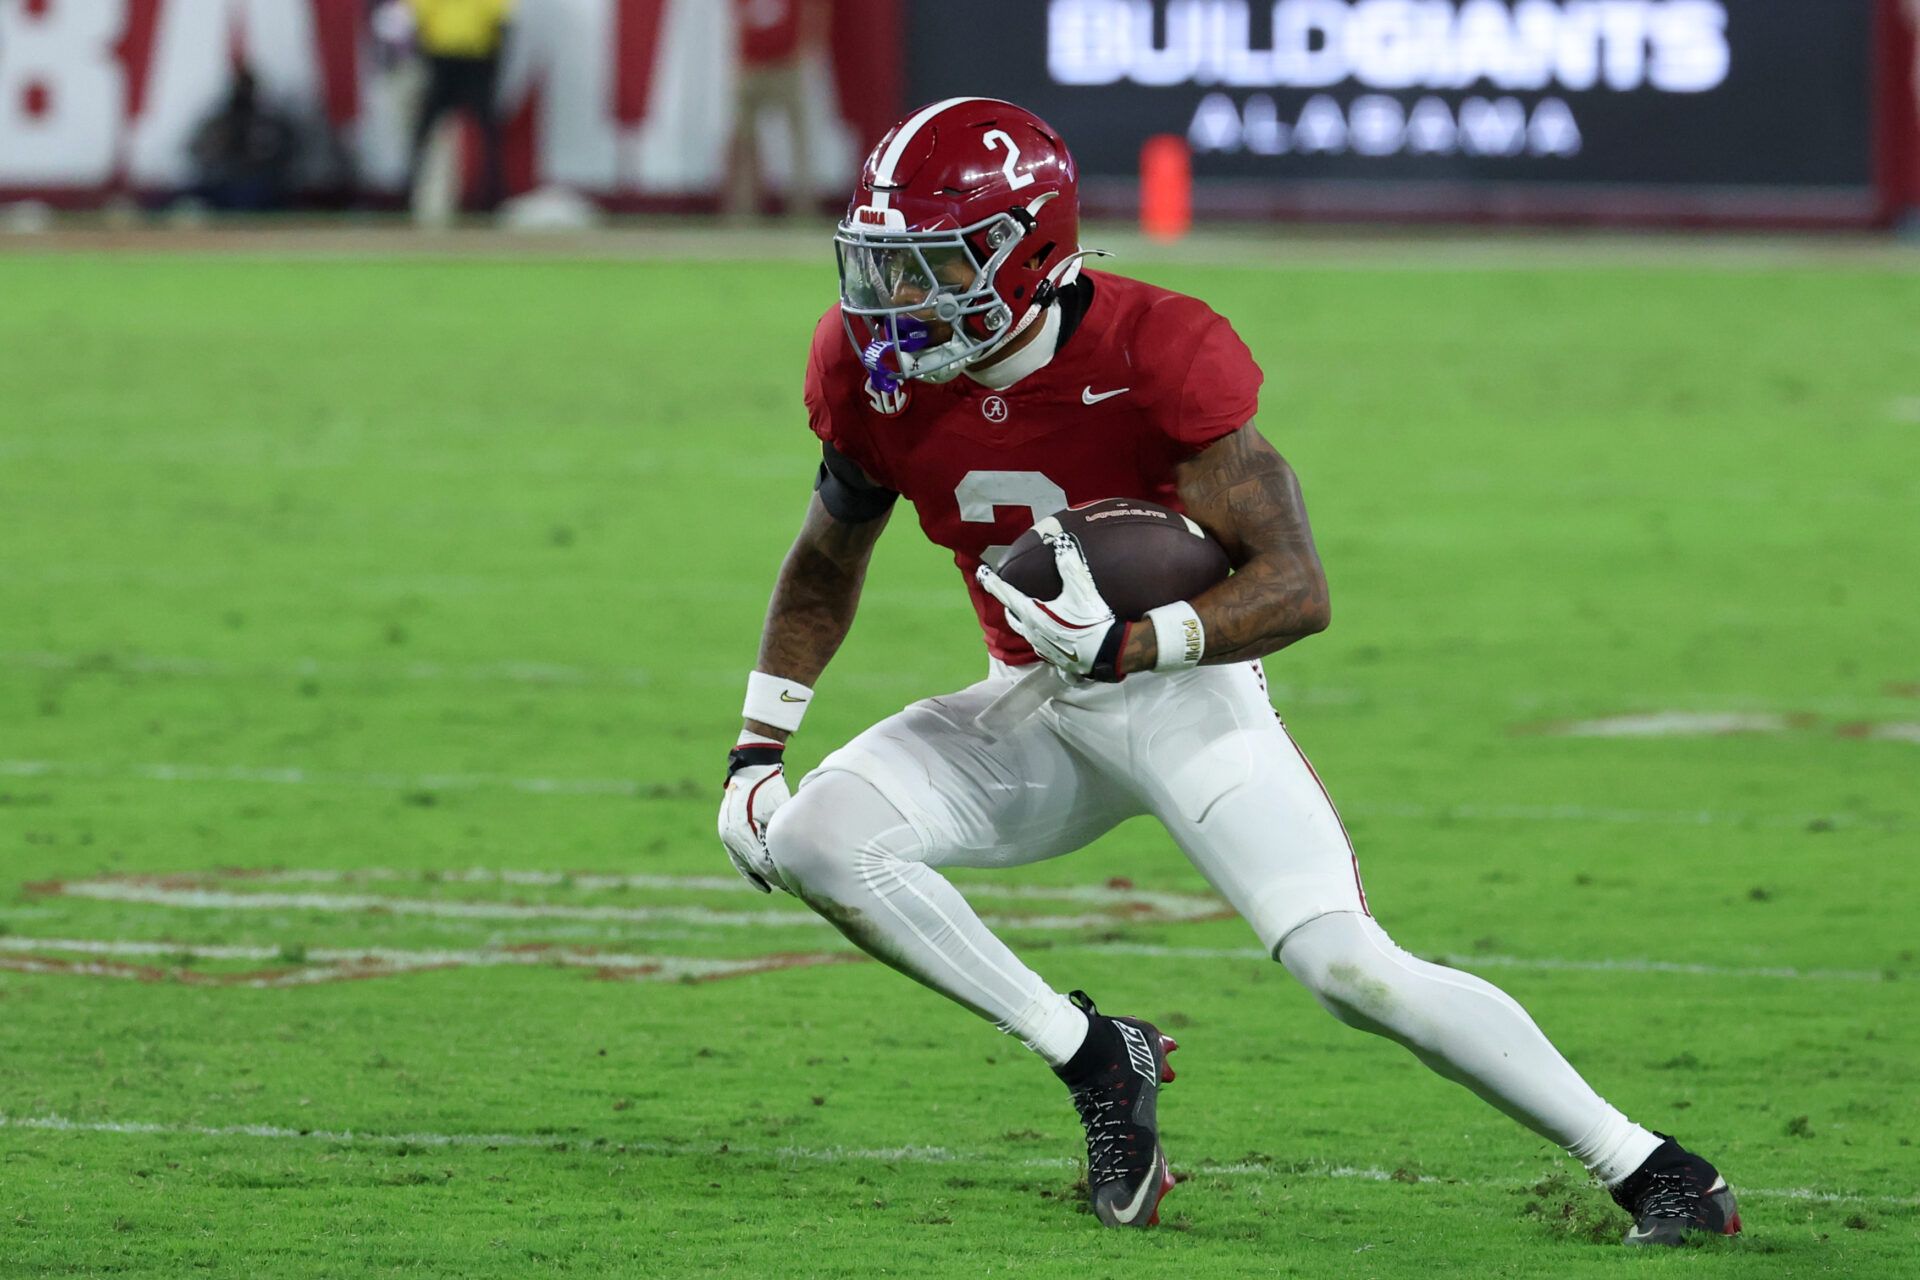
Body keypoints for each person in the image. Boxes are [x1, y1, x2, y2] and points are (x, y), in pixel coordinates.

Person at [717, 96, 1742, 1246]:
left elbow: (1296, 584)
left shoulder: (1154, 350)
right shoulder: (868, 368)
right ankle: (1095, 1056)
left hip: (1182, 696)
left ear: (1028, 251)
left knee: (1347, 968)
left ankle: (1654, 1166)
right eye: (884, 263)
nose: (894, 298)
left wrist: (1141, 641)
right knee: (816, 836)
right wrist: (759, 746)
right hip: (1038, 703)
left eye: (933, 264)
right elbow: (826, 557)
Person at [404, 0, 515, 213]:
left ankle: (493, 196)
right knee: (424, 129)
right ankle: (408, 193)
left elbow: (504, 22)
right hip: (443, 60)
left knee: (488, 131)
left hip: (477, 61)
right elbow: (415, 20)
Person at [725, 0, 827, 219]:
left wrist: (808, 50)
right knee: (743, 140)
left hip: (786, 65)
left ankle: (804, 207)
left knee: (800, 139)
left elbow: (813, 11)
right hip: (750, 66)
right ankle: (743, 209)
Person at [186, 66, 298, 211]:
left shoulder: (268, 122)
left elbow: (288, 151)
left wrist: (261, 161)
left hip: (260, 182)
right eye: (239, 87)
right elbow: (196, 149)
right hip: (221, 182)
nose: (243, 92)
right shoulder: (218, 122)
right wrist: (217, 154)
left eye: (246, 87)